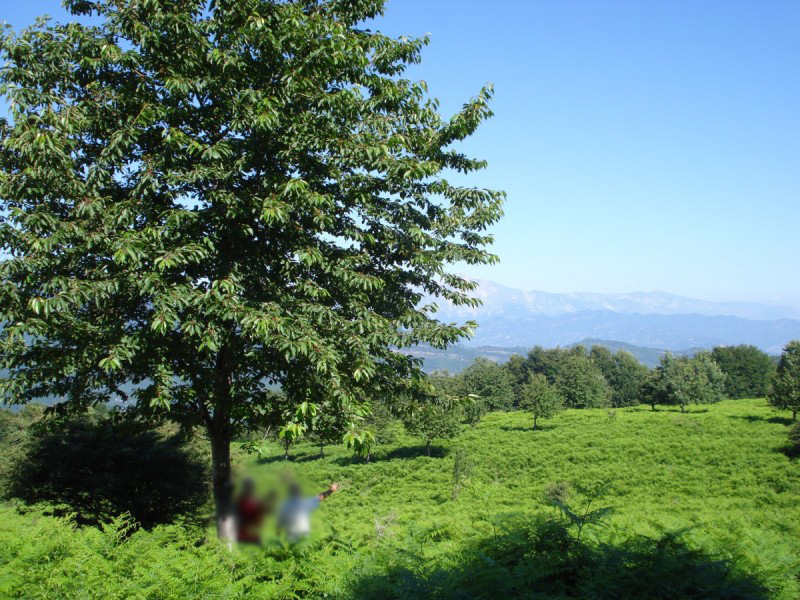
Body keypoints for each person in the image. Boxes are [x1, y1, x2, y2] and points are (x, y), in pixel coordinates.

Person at [235, 478, 272, 544]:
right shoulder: (240, 500)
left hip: (252, 533)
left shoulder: (254, 499)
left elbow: (263, 512)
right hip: (242, 533)